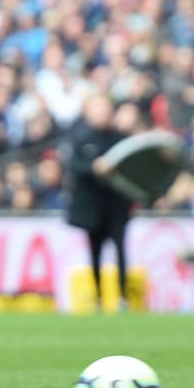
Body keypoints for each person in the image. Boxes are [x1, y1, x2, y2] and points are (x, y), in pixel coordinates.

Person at [63, 92, 136, 311]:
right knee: (94, 251)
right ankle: (98, 296)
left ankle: (122, 296)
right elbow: (74, 165)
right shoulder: (81, 138)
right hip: (93, 206)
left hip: (116, 204)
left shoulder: (120, 138)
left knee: (120, 249)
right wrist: (94, 167)